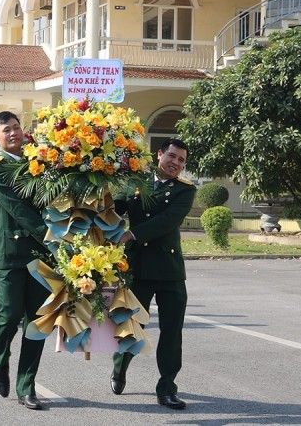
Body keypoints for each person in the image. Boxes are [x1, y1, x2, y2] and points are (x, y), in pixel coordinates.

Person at [110, 138, 196, 410]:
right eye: (172, 156)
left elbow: (167, 220)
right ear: (159, 154)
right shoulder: (136, 182)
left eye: (181, 160)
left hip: (169, 271)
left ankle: (167, 388)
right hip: (139, 268)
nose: (176, 163)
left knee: (172, 332)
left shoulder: (185, 190)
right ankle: (119, 368)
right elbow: (115, 209)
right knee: (133, 327)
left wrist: (132, 234)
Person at [0, 111, 50, 411]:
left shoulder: (42, 163)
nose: (13, 133)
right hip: (11, 255)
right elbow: (17, 209)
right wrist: (48, 234)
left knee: (37, 322)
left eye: (16, 128)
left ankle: (27, 386)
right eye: (6, 130)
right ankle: (1, 361)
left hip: (41, 257)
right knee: (9, 316)